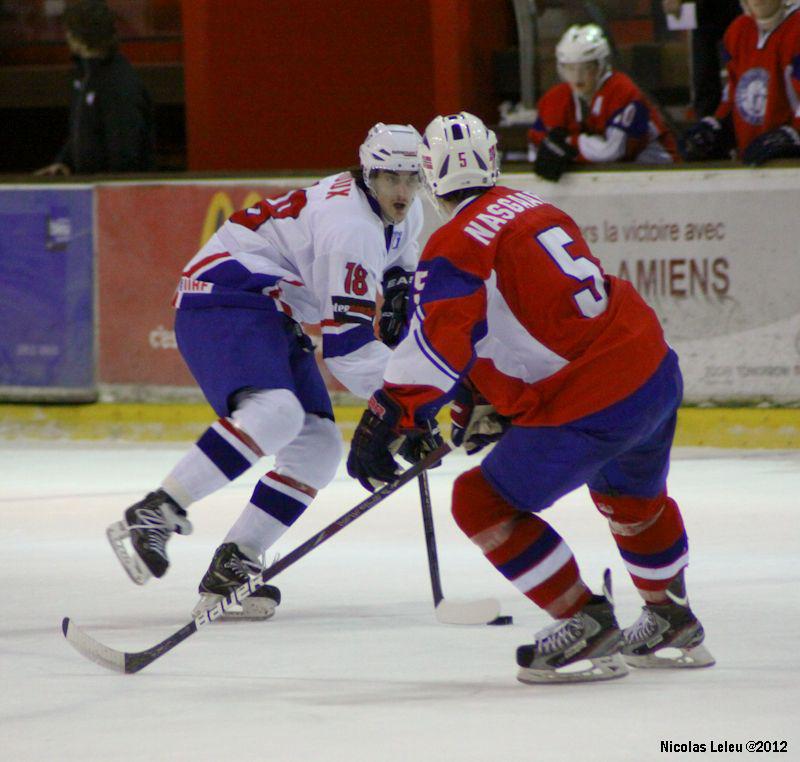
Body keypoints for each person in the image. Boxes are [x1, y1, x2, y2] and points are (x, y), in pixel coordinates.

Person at [347, 112, 715, 684]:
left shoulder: (456, 242)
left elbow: (441, 339)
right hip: (652, 373)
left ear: (430, 175)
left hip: (592, 402)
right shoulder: (536, 208)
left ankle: (584, 621)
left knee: (479, 502)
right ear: (493, 161)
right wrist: (490, 401)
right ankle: (671, 619)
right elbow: (528, 321)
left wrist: (393, 409)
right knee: (631, 497)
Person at [107, 123, 424, 620]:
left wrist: (400, 287)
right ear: (368, 172)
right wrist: (409, 403)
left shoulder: (402, 208)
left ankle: (235, 562)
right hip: (224, 297)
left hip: (272, 307)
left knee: (317, 448)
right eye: (391, 178)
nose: (402, 192)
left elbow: (401, 253)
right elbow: (348, 352)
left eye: (412, 177)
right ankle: (156, 511)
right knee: (275, 411)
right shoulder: (351, 229)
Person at [527, 24, 678, 181]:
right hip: (610, 182)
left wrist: (570, 143)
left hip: (661, 174)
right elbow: (536, 149)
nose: (577, 77)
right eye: (570, 68)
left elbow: (613, 152)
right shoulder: (555, 99)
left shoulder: (622, 91)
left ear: (602, 65)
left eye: (587, 68)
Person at [35, 0, 154, 176]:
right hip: (88, 186)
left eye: (70, 30)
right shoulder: (84, 76)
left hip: (117, 193)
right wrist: (64, 162)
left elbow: (125, 154)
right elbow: (83, 130)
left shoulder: (119, 84)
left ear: (80, 37)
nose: (66, 36)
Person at [681, 0, 800, 164]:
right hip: (752, 165)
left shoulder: (796, 30)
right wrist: (717, 126)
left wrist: (794, 134)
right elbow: (735, 97)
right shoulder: (739, 31)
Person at [660, 0, 741, 118]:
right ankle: (708, 125)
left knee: (747, 71)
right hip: (702, 13)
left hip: (741, 10)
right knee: (703, 75)